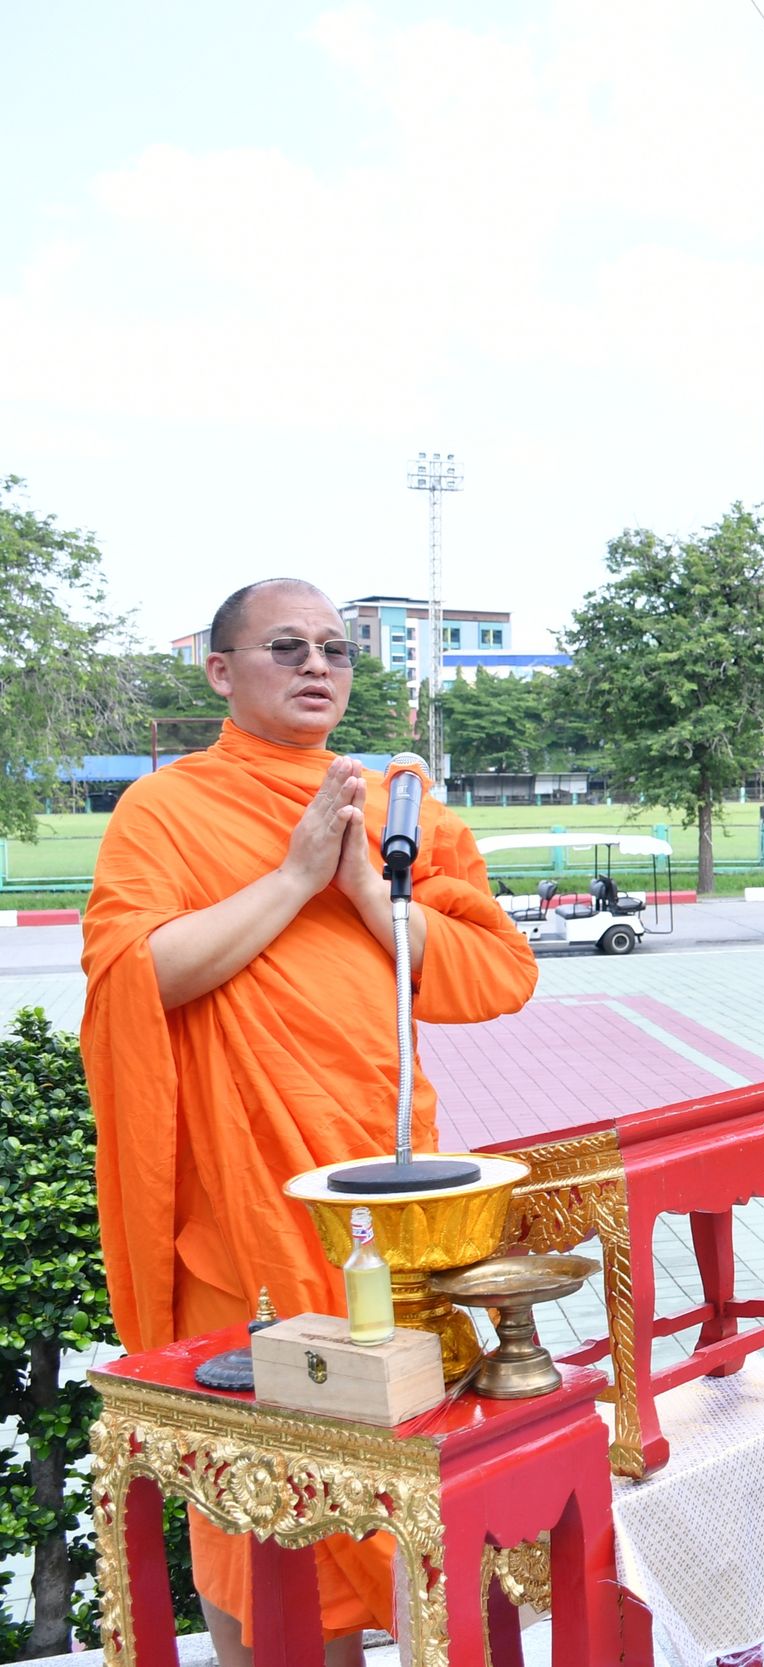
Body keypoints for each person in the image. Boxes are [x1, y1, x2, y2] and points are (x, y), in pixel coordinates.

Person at [81, 580, 538, 1667]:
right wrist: (293, 878)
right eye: (285, 646)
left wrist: (376, 901)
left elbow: (498, 973)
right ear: (220, 670)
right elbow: (135, 979)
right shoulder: (168, 808)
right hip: (241, 1211)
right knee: (257, 1506)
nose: (316, 665)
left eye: (333, 647)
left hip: (390, 1195)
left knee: (401, 1477)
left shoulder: (397, 800)